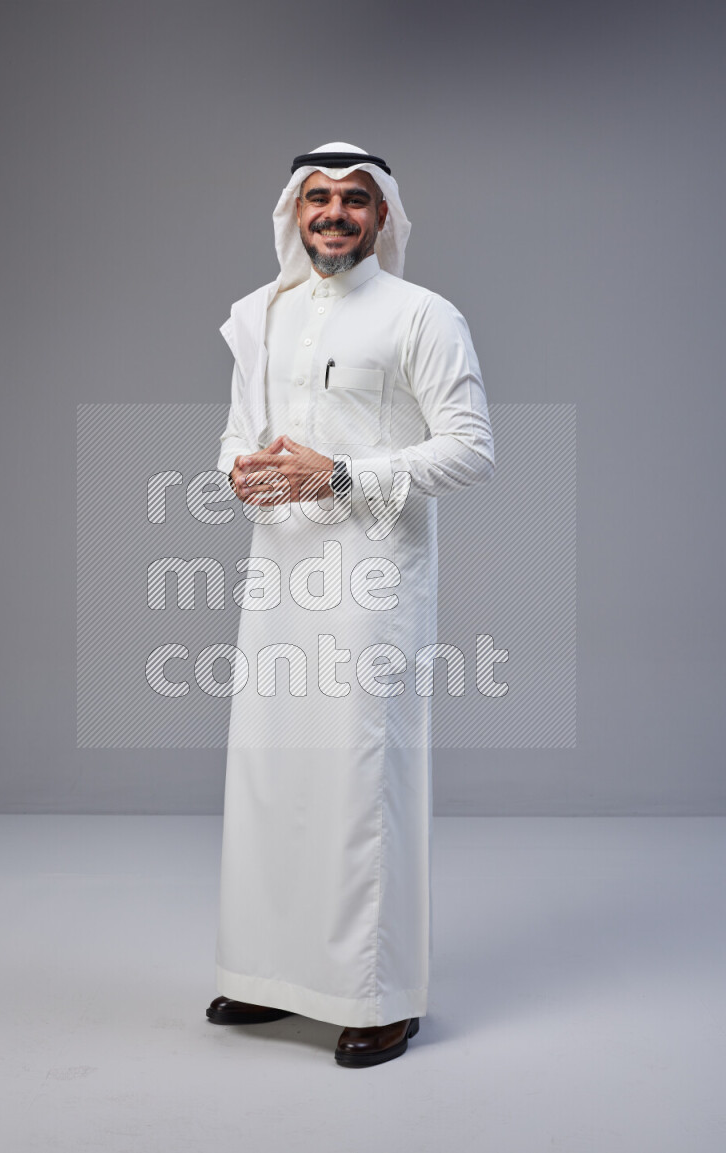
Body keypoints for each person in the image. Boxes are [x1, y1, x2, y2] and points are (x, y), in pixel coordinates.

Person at [207, 142, 495, 1067]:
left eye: (355, 200)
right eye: (318, 198)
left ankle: (377, 995)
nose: (334, 213)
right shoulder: (261, 314)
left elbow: (470, 449)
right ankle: (268, 975)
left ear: (383, 218)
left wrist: (339, 473)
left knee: (360, 776)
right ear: (295, 210)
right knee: (270, 768)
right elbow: (235, 437)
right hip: (278, 575)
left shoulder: (423, 315)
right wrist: (239, 476)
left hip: (374, 579)